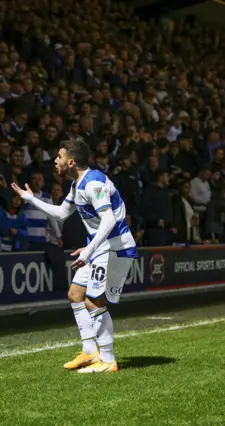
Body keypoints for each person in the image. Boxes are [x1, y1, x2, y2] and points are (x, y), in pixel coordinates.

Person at [11, 140, 138, 373]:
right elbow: (60, 214)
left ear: (70, 162)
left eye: (59, 157)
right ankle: (90, 352)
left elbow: (109, 220)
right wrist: (31, 199)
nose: (55, 161)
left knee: (93, 301)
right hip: (100, 247)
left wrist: (89, 249)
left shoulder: (94, 183)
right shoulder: (76, 185)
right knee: (75, 294)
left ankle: (108, 360)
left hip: (115, 248)